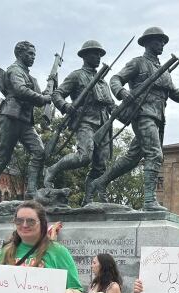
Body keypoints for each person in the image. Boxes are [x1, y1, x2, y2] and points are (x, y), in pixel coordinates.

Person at [87, 27, 179, 211]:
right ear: (147, 43)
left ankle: (100, 182)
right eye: (158, 40)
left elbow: (174, 92)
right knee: (155, 154)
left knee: (132, 158)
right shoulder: (138, 63)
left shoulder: (163, 70)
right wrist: (122, 92)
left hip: (158, 118)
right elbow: (116, 78)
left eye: (163, 41)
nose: (161, 44)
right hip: (142, 114)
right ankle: (149, 201)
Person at [0, 41, 53, 210]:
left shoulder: (31, 78)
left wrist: (50, 90)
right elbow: (21, 90)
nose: (33, 57)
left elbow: (40, 98)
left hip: (26, 121)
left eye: (34, 54)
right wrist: (43, 98)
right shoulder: (14, 70)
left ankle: (32, 191)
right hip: (11, 116)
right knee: (3, 156)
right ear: (20, 54)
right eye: (30, 54)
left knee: (39, 152)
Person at [43, 40, 116, 206]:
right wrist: (65, 105)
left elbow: (111, 105)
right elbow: (57, 94)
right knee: (84, 157)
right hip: (85, 121)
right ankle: (53, 169)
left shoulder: (103, 82)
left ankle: (88, 199)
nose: (98, 57)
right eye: (94, 53)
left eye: (100, 54)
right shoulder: (77, 75)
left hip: (104, 123)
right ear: (85, 56)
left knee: (100, 165)